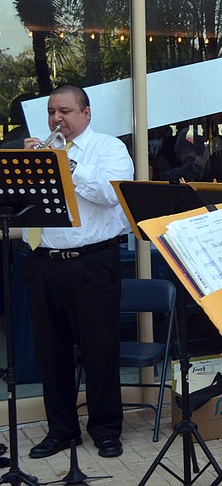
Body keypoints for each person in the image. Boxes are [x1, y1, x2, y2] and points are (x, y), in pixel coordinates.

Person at [23, 83, 134, 459]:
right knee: (50, 351)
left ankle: (105, 429)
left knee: (98, 349)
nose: (57, 118)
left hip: (92, 261)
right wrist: (30, 168)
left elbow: (109, 194)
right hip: (44, 262)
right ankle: (61, 430)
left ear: (86, 113)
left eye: (65, 111)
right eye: (52, 111)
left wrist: (63, 162)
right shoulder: (41, 153)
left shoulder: (109, 149)